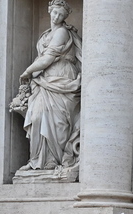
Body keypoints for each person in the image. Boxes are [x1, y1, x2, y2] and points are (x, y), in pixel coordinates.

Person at [14, 0, 81, 171]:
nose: (57, 17)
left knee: (58, 122)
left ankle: (54, 160)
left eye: (61, 15)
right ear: (49, 10)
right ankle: (38, 160)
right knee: (37, 117)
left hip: (61, 77)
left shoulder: (62, 32)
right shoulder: (45, 35)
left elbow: (48, 58)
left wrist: (27, 72)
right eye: (55, 12)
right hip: (44, 81)